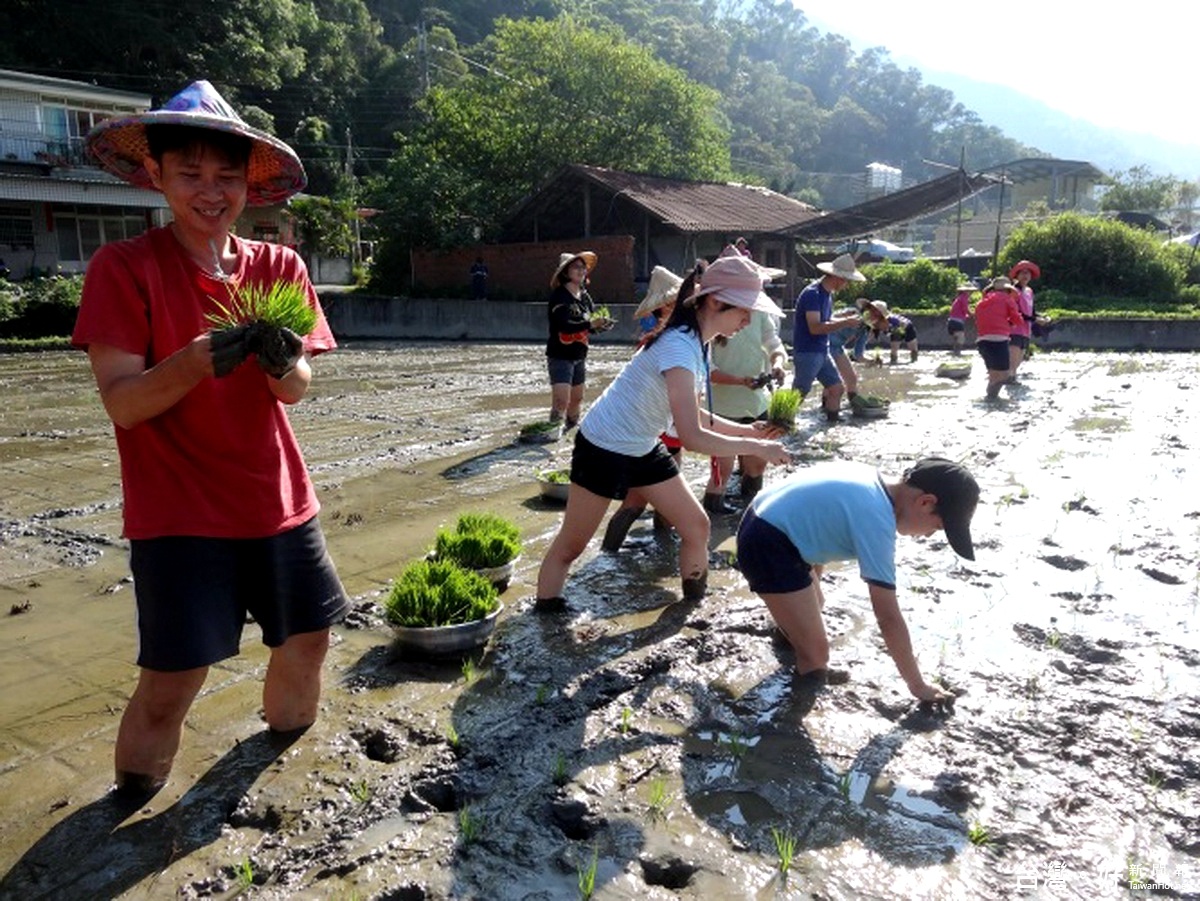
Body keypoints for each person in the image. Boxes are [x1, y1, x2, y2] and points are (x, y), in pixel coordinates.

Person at [73, 80, 349, 798]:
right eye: (189, 172)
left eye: (226, 175)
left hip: (278, 501)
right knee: (173, 680)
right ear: (156, 175)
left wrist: (281, 361)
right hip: (179, 514)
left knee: (309, 639)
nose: (210, 190)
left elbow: (298, 389)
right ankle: (127, 806)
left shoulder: (279, 268)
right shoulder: (123, 269)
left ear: (248, 186)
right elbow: (125, 404)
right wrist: (195, 361)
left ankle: (281, 760)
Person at [536, 254, 791, 608]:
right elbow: (691, 436)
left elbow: (695, 417)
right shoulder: (679, 346)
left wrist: (753, 434)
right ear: (715, 302)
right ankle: (547, 614)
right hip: (603, 445)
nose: (748, 320)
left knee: (696, 526)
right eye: (743, 310)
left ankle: (692, 606)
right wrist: (758, 449)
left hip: (643, 444)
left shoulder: (697, 344)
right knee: (572, 546)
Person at [736, 457, 979, 700]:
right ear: (926, 502)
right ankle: (790, 724)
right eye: (936, 528)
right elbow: (887, 616)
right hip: (767, 542)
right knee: (818, 656)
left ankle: (789, 641)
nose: (926, 536)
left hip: (765, 514)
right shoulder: (877, 520)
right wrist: (918, 685)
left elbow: (818, 516)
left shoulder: (872, 479)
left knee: (815, 605)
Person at [603, 265, 686, 551]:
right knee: (637, 501)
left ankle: (661, 546)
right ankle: (608, 555)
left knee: (665, 503)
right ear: (666, 307)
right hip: (655, 433)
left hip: (671, 431)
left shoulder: (677, 338)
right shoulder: (663, 342)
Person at [704, 304, 789, 512]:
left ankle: (748, 513)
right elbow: (707, 370)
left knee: (757, 466)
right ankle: (713, 524)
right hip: (722, 407)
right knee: (721, 473)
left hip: (755, 404)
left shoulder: (760, 313)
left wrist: (777, 363)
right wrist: (740, 381)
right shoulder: (714, 317)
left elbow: (772, 342)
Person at [791, 253, 865, 421]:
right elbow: (815, 328)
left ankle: (831, 423)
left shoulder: (826, 294)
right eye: (846, 280)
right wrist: (845, 322)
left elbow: (825, 321)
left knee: (837, 389)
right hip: (808, 351)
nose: (847, 285)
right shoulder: (813, 295)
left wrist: (841, 318)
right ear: (837, 277)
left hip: (821, 350)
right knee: (799, 393)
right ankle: (780, 423)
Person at [545, 251, 613, 428]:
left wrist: (600, 326)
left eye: (583, 268)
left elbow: (586, 327)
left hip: (579, 355)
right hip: (560, 355)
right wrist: (590, 324)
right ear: (566, 272)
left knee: (577, 399)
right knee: (561, 401)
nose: (581, 271)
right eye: (576, 267)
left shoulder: (585, 297)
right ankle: (552, 434)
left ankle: (572, 432)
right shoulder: (559, 296)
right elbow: (564, 326)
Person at [974, 276, 1024, 399]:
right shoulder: (1007, 300)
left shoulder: (982, 302)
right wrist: (1011, 323)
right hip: (999, 341)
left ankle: (990, 398)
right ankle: (991, 399)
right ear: (1008, 290)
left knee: (993, 375)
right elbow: (1017, 320)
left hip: (982, 342)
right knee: (1004, 375)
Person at [1008, 259, 1047, 375]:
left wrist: (1042, 317)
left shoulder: (1029, 291)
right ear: (1017, 275)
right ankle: (1008, 382)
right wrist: (1035, 319)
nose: (1025, 275)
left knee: (1019, 360)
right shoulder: (1013, 291)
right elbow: (1016, 312)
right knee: (1013, 362)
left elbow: (1032, 312)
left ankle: (1009, 380)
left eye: (1027, 273)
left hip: (1026, 330)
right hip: (1014, 329)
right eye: (1022, 273)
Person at [947, 283, 975, 355]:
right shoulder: (964, 298)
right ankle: (957, 354)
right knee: (961, 339)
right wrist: (974, 315)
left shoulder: (959, 298)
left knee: (956, 340)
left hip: (951, 321)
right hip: (957, 322)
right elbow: (966, 310)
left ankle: (955, 353)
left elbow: (961, 312)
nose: (971, 293)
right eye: (969, 291)